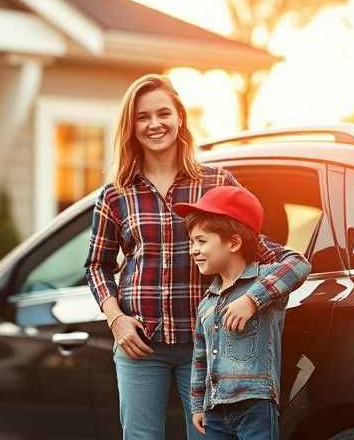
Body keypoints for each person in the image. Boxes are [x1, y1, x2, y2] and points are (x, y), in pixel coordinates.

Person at [85, 73, 309, 440]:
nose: (154, 124)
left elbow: (259, 249)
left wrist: (253, 298)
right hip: (141, 346)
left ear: (180, 118)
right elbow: (97, 264)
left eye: (163, 113)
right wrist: (116, 320)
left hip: (206, 346)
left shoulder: (216, 183)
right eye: (142, 117)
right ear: (131, 126)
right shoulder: (116, 194)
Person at [173, 185, 311, 439]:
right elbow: (200, 357)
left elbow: (299, 264)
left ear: (234, 242)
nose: (192, 249)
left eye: (201, 241)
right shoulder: (207, 301)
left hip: (255, 404)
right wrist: (197, 405)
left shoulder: (263, 281)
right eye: (191, 241)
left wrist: (251, 300)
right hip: (214, 409)